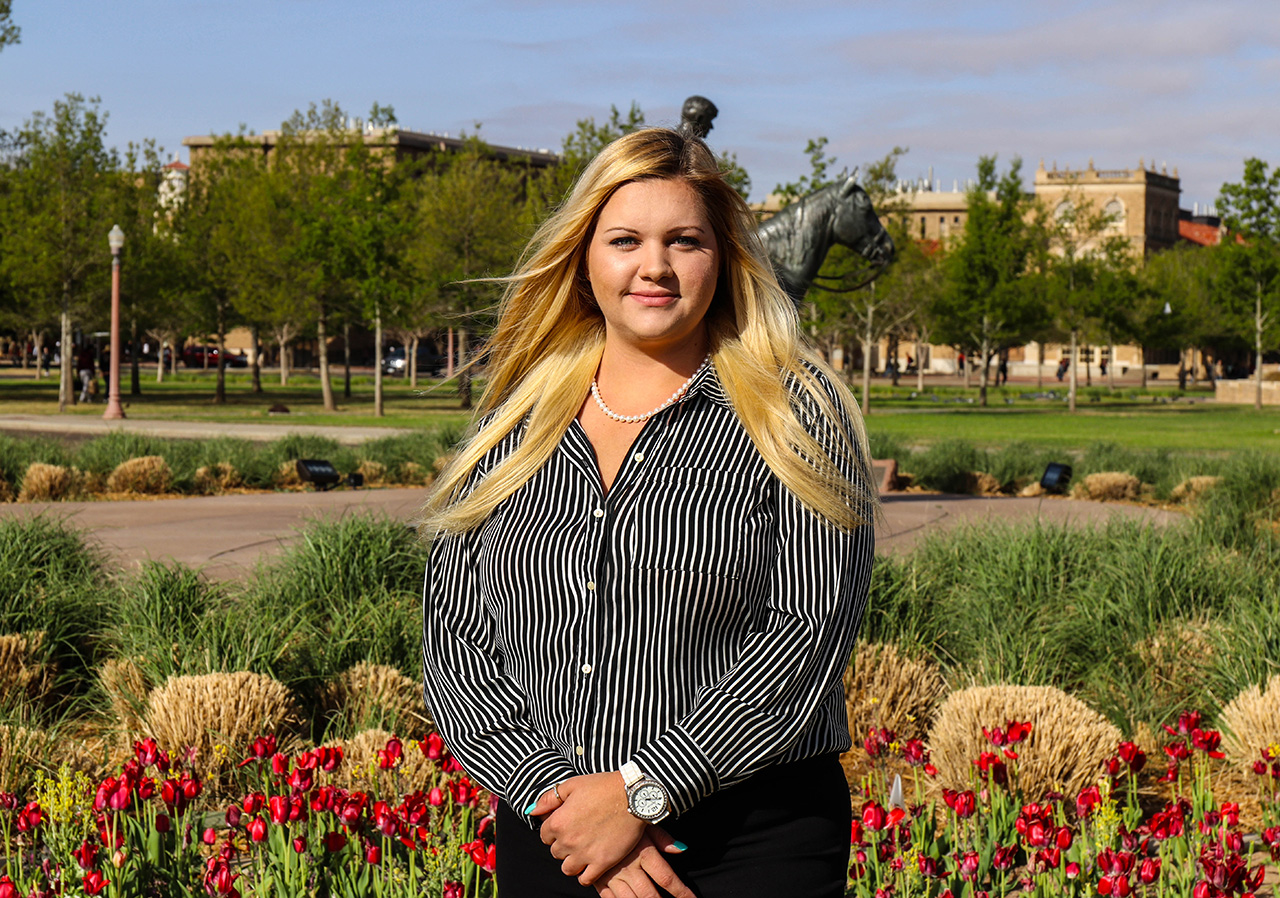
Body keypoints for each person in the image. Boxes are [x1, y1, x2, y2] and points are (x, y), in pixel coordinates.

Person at [420, 128, 875, 898]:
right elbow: (456, 639)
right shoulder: (515, 419)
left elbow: (804, 636)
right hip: (557, 840)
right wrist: (559, 803)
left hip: (754, 841)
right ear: (585, 256)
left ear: (724, 257)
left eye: (685, 241)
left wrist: (641, 793)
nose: (653, 266)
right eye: (625, 238)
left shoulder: (794, 410)